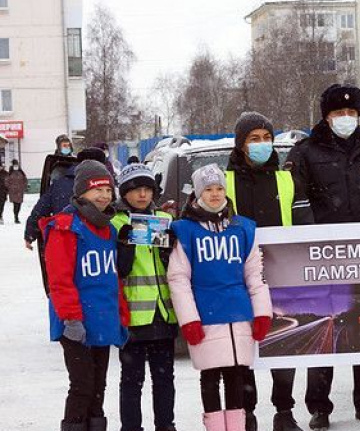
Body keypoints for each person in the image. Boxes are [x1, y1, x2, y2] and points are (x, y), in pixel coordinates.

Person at [286, 84, 360, 430]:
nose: (346, 118)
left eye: (351, 113)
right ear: (326, 116)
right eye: (339, 114)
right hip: (323, 260)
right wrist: (313, 244)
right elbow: (296, 202)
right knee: (325, 330)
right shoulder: (306, 151)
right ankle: (320, 407)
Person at [167, 164, 272, 431]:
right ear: (198, 194)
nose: (215, 194)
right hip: (206, 316)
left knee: (237, 377)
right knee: (211, 378)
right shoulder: (186, 231)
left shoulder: (243, 228)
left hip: (239, 316)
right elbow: (179, 279)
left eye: (219, 188)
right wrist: (189, 320)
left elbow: (255, 274)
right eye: (208, 189)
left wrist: (262, 312)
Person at [225, 112, 309, 431]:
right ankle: (247, 414)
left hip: (281, 277)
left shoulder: (286, 180)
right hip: (237, 280)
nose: (261, 144)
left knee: (284, 342)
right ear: (241, 144)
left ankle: (284, 413)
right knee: (243, 348)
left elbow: (305, 227)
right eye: (253, 138)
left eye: (266, 137)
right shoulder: (224, 181)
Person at [41, 159, 130, 431]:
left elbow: (113, 279)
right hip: (75, 322)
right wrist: (70, 318)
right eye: (96, 190)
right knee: (82, 386)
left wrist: (121, 316)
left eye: (107, 189)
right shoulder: (65, 226)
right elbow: (59, 279)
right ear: (81, 192)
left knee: (99, 387)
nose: (104, 195)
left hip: (102, 319)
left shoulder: (108, 228)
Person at [111, 163, 178, 431]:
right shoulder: (115, 222)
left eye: (147, 189)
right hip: (134, 317)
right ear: (124, 192)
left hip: (163, 312)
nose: (142, 195)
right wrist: (123, 247)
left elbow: (177, 266)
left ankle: (166, 425)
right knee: (131, 380)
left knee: (164, 379)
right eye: (136, 189)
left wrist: (170, 250)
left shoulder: (164, 219)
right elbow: (119, 270)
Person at [27, 148, 108, 295]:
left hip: (65, 244)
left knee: (64, 283)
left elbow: (40, 210)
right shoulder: (104, 186)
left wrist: (29, 234)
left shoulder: (60, 182)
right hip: (93, 250)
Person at [6, 159, 28, 224]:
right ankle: (16, 217)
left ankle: (17, 215)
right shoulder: (10, 173)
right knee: (15, 205)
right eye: (15, 165)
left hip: (20, 192)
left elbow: (25, 180)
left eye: (16, 165)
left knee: (19, 205)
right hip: (13, 192)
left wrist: (24, 187)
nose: (16, 166)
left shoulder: (21, 172)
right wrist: (10, 187)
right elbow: (6, 181)